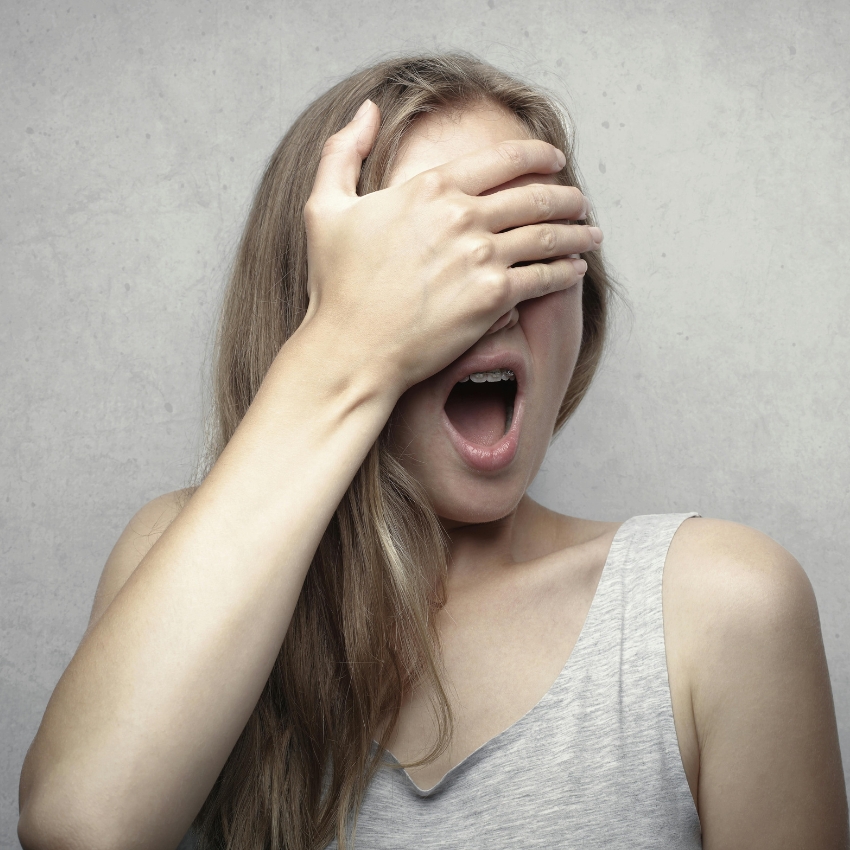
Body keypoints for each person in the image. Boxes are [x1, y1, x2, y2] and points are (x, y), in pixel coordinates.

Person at [17, 53, 848, 850]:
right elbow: (84, 827)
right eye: (432, 259)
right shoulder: (175, 557)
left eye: (527, 244)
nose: (490, 295)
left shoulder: (720, 609)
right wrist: (343, 350)